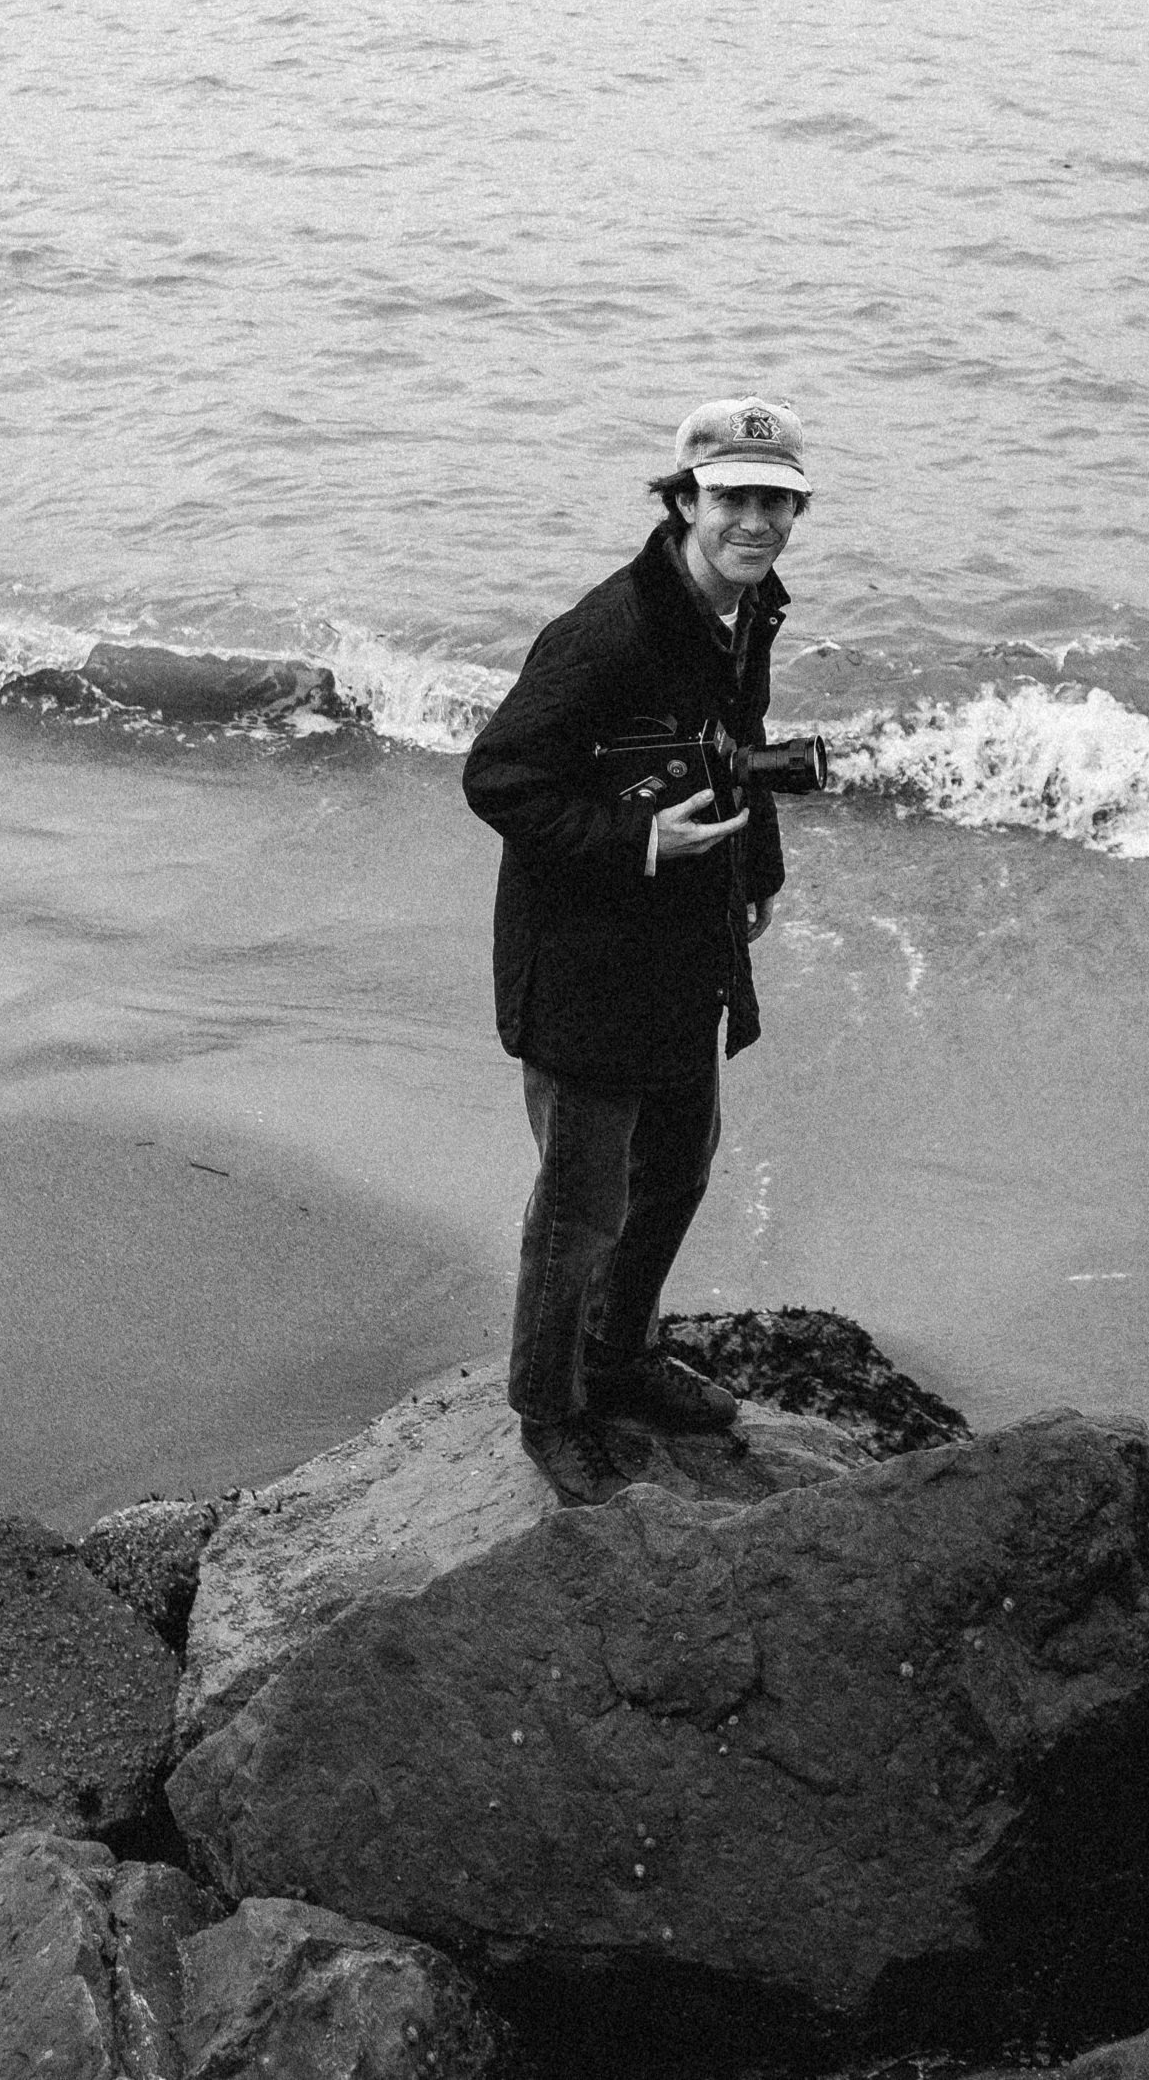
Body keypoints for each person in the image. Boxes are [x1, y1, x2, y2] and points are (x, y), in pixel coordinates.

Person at [461, 396, 810, 1504]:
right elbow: (499, 777)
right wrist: (640, 838)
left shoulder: (744, 611)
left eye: (776, 501)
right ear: (685, 500)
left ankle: (620, 1358)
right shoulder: (606, 631)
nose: (756, 521)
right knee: (580, 1202)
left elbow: (735, 750)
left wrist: (754, 869)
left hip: (681, 943)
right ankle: (549, 1408)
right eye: (734, 499)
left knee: (679, 1165)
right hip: (585, 954)